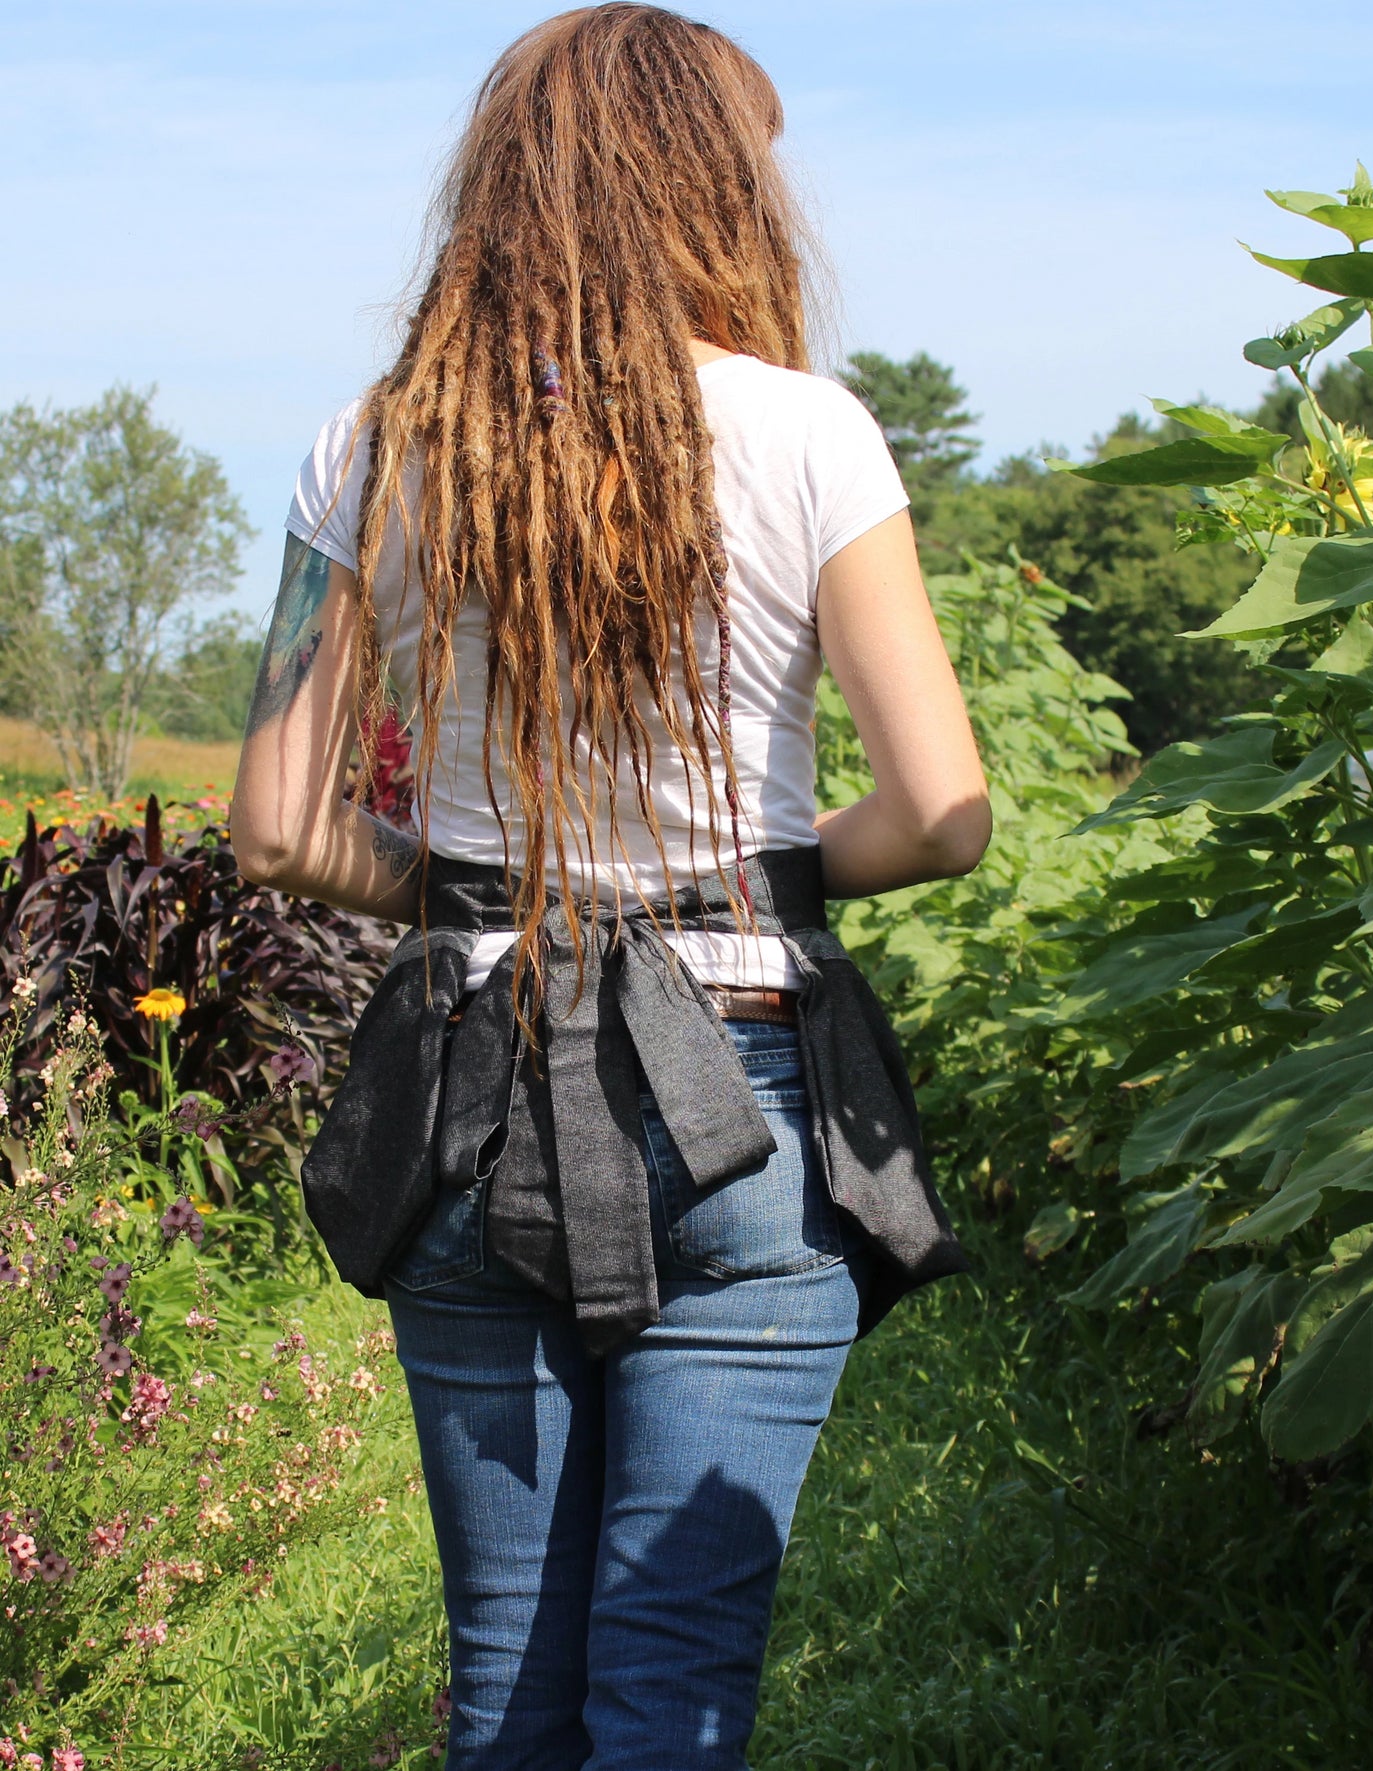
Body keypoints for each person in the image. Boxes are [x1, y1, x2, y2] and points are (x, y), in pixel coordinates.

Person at [229, 6, 991, 1765]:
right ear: (717, 186)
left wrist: (461, 885)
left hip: (472, 1087)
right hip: (744, 1083)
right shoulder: (811, 434)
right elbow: (943, 809)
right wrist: (757, 881)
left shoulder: (372, 444)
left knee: (507, 1676)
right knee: (675, 1682)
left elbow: (274, 825)